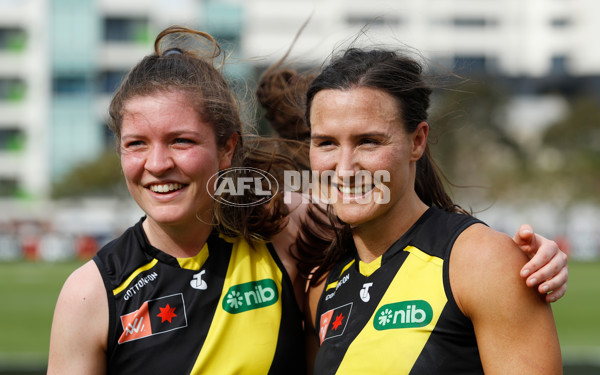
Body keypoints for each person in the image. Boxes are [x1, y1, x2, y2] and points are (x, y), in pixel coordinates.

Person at [48, 25, 566, 374]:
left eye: (181, 141)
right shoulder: (90, 294)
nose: (157, 164)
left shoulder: (289, 241)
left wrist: (524, 259)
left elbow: (431, 239)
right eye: (136, 144)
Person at [293, 48, 562, 374]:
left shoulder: (482, 261)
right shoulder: (320, 284)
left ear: (418, 141)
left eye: (369, 141)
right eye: (326, 143)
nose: (346, 169)